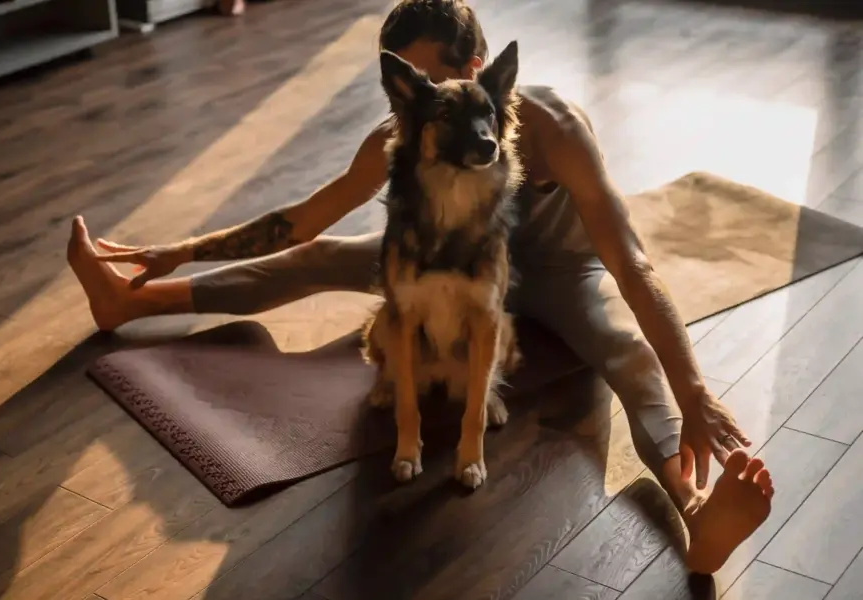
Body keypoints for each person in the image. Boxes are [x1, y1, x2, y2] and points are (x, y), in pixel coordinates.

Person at [67, 0, 773, 575]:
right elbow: (302, 221)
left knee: (630, 355)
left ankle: (696, 507)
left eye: (428, 79)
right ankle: (130, 300)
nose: (411, 100)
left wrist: (696, 388)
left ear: (477, 71)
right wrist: (174, 252)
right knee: (320, 256)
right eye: (402, 84)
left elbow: (632, 263)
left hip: (559, 275)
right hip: (450, 258)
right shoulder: (407, 132)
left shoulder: (554, 127)